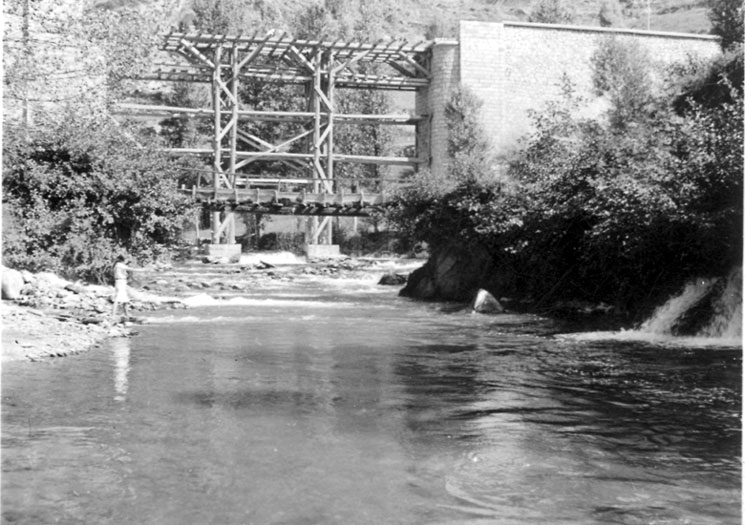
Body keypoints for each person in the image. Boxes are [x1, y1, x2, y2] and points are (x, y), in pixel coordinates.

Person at [111, 255, 144, 320]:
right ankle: (113, 315)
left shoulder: (117, 265)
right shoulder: (120, 265)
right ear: (122, 260)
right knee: (117, 299)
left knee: (125, 299)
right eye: (126, 259)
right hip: (120, 282)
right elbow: (131, 269)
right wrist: (142, 270)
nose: (127, 261)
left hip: (121, 282)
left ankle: (126, 314)